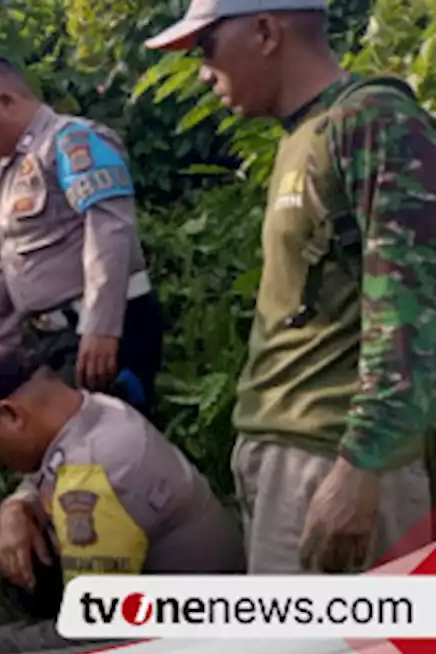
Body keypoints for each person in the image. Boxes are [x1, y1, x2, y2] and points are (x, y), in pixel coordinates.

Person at [145, 0, 436, 575]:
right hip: (289, 458)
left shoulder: (374, 120)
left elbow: (412, 312)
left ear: (265, 31)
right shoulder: (305, 135)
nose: (203, 71)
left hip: (333, 461)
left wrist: (362, 467)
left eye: (207, 48)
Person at [0, 342, 246, 654]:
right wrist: (14, 507)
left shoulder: (91, 480)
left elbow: (95, 634)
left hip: (200, 644)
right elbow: (48, 473)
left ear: (11, 415)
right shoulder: (96, 411)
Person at [0, 52, 167, 422]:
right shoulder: (10, 173)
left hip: (103, 329)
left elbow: (109, 229)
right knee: (71, 449)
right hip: (57, 337)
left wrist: (101, 326)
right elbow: (7, 263)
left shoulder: (73, 142)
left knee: (106, 445)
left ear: (7, 101)